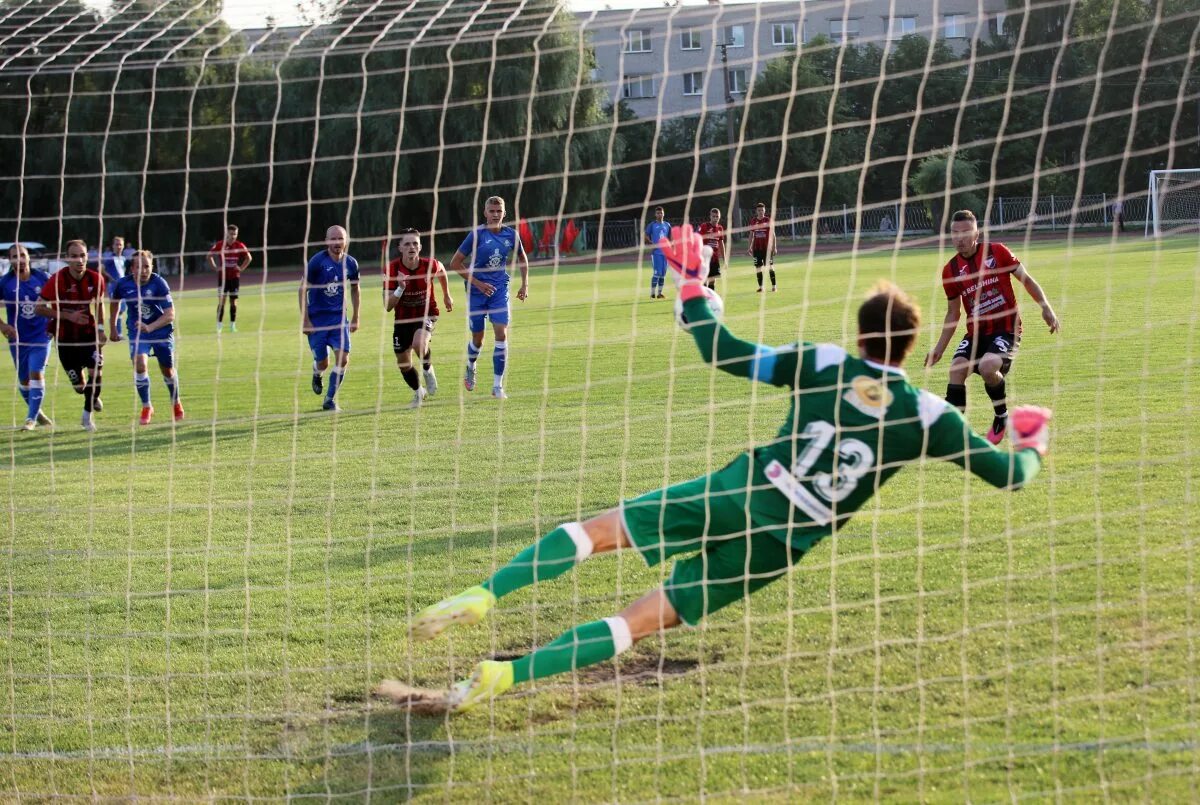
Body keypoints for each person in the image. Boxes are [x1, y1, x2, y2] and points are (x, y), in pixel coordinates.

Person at [401, 225, 1053, 713]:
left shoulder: (827, 362)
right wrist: (1030, 438)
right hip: (778, 545)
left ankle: (484, 593)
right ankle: (502, 677)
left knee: (596, 531)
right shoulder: (930, 413)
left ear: (860, 338)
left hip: (741, 490)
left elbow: (723, 350)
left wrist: (693, 282)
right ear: (910, 347)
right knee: (635, 623)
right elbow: (1009, 476)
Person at [925, 209, 1060, 444]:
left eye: (966, 232)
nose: (960, 238)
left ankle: (1001, 415)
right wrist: (939, 348)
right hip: (976, 333)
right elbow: (953, 313)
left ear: (977, 233)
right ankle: (953, 432)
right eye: (955, 233)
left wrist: (1045, 306)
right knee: (956, 369)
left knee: (988, 366)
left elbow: (1026, 280)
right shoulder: (950, 271)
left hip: (1006, 330)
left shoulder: (997, 252)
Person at [448, 196, 529, 400]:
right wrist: (478, 284)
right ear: (485, 213)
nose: (495, 214)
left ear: (504, 213)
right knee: (478, 338)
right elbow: (455, 263)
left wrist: (524, 284)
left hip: (499, 289)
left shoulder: (511, 235)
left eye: (498, 211)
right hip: (476, 291)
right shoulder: (476, 235)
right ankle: (471, 365)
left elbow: (522, 257)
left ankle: (497, 386)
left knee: (501, 334)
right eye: (491, 211)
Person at [35, 239, 107, 432]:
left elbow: (100, 305)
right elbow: (39, 308)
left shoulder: (95, 279)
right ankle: (88, 393)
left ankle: (86, 416)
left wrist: (100, 329)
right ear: (67, 258)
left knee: (97, 374)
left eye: (82, 255)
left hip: (88, 335)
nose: (79, 260)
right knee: (79, 387)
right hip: (65, 338)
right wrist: (68, 315)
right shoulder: (56, 280)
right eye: (74, 256)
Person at [107, 250, 183, 425]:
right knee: (139, 364)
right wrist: (112, 328)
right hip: (138, 331)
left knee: (168, 370)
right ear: (132, 268)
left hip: (161, 331)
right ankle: (147, 406)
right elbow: (114, 303)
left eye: (147, 266)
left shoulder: (159, 283)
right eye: (139, 267)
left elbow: (170, 314)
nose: (143, 271)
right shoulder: (123, 285)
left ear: (152, 267)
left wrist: (150, 327)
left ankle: (175, 402)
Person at [384, 228, 453, 409]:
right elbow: (388, 305)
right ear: (400, 248)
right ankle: (418, 392)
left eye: (415, 243)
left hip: (426, 313)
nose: (411, 247)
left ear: (420, 247)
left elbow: (442, 270)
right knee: (404, 364)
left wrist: (446, 295)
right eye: (407, 244)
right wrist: (400, 288)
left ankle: (428, 369)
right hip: (402, 320)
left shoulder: (429, 264)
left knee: (418, 344)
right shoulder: (392, 269)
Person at [301, 225, 359, 412]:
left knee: (343, 358)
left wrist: (356, 316)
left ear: (346, 241)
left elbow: (355, 289)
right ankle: (317, 373)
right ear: (327, 241)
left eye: (340, 239)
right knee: (323, 363)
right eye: (333, 239)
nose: (337, 243)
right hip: (317, 320)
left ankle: (330, 399)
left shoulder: (351, 263)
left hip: (339, 318)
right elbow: (302, 289)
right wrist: (305, 320)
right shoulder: (317, 262)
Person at [0, 244, 54, 430]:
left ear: (29, 257)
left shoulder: (43, 278)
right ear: (10, 260)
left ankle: (30, 419)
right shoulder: (5, 282)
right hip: (18, 339)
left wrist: (54, 323)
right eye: (14, 256)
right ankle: (37, 413)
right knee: (24, 380)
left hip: (41, 335)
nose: (19, 259)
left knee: (36, 372)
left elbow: (58, 302)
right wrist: (3, 326)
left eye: (22, 255)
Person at [208, 225, 251, 333]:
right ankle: (219, 326)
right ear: (227, 233)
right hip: (222, 278)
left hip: (234, 278)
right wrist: (215, 268)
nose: (233, 236)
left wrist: (241, 268)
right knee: (221, 301)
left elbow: (249, 257)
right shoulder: (220, 245)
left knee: (233, 302)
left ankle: (232, 326)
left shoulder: (239, 245)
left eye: (235, 234)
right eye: (231, 234)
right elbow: (209, 256)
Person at [747, 202, 777, 292]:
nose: (760, 212)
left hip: (767, 249)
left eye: (762, 210)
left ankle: (774, 286)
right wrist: (749, 247)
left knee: (770, 267)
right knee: (758, 268)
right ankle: (761, 287)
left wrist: (774, 247)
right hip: (757, 249)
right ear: (756, 211)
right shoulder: (753, 221)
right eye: (759, 210)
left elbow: (773, 234)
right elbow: (751, 235)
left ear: (764, 210)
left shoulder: (768, 220)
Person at [644, 206, 672, 299]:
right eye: (658, 213)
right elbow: (645, 235)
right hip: (656, 253)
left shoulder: (667, 225)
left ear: (664, 214)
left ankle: (660, 293)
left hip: (666, 253)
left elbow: (670, 238)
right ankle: (652, 294)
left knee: (663, 274)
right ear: (655, 215)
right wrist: (650, 242)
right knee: (657, 273)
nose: (659, 214)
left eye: (661, 213)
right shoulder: (652, 225)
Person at [696, 208, 725, 291]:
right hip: (704, 258)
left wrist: (724, 259)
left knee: (712, 280)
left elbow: (721, 243)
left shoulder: (720, 228)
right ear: (710, 216)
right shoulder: (704, 226)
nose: (715, 218)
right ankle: (704, 296)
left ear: (719, 217)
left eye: (717, 217)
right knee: (704, 279)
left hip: (715, 259)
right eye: (714, 216)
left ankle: (711, 297)